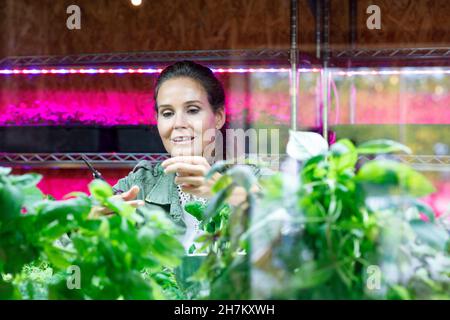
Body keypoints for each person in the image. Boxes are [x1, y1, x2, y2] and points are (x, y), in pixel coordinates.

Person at [89, 60, 261, 251]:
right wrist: (92, 223)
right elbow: (68, 241)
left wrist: (226, 192)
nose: (178, 123)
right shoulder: (141, 184)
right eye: (168, 113)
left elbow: (293, 227)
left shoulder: (252, 176)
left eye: (193, 110)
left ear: (218, 117)